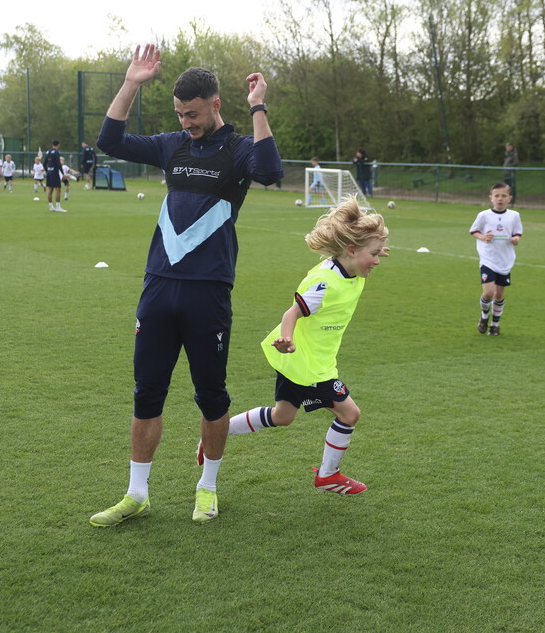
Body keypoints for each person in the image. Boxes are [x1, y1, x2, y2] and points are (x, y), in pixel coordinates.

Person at [89, 44, 282, 527]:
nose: (187, 122)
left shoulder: (238, 150)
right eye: (180, 114)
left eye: (192, 114)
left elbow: (271, 172)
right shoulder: (172, 145)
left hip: (207, 292)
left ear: (216, 105)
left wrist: (259, 106)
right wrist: (131, 83)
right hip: (158, 288)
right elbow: (109, 140)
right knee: (146, 392)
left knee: (211, 395)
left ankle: (207, 487)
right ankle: (136, 494)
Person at [198, 197, 388, 495]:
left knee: (281, 416)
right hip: (309, 365)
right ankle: (328, 475)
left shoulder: (350, 265)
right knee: (350, 414)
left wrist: (372, 249)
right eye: (374, 254)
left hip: (302, 362)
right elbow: (292, 312)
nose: (377, 261)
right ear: (351, 250)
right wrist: (287, 338)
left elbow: (361, 255)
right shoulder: (324, 283)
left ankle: (213, 436)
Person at [470, 182, 523, 336]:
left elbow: (517, 233)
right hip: (488, 259)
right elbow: (474, 231)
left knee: (499, 295)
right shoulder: (484, 215)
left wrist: (516, 239)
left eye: (504, 196)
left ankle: (495, 325)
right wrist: (483, 237)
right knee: (488, 293)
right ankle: (484, 317)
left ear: (509, 198)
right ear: (491, 198)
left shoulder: (514, 215)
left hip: (505, 260)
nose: (500, 199)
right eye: (497, 196)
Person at [44, 140, 65, 212]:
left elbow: (44, 163)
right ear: (58, 145)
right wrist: (62, 173)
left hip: (49, 172)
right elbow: (58, 163)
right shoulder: (56, 152)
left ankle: (51, 207)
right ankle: (58, 207)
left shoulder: (48, 152)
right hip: (55, 173)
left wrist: (47, 171)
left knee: (50, 190)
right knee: (58, 189)